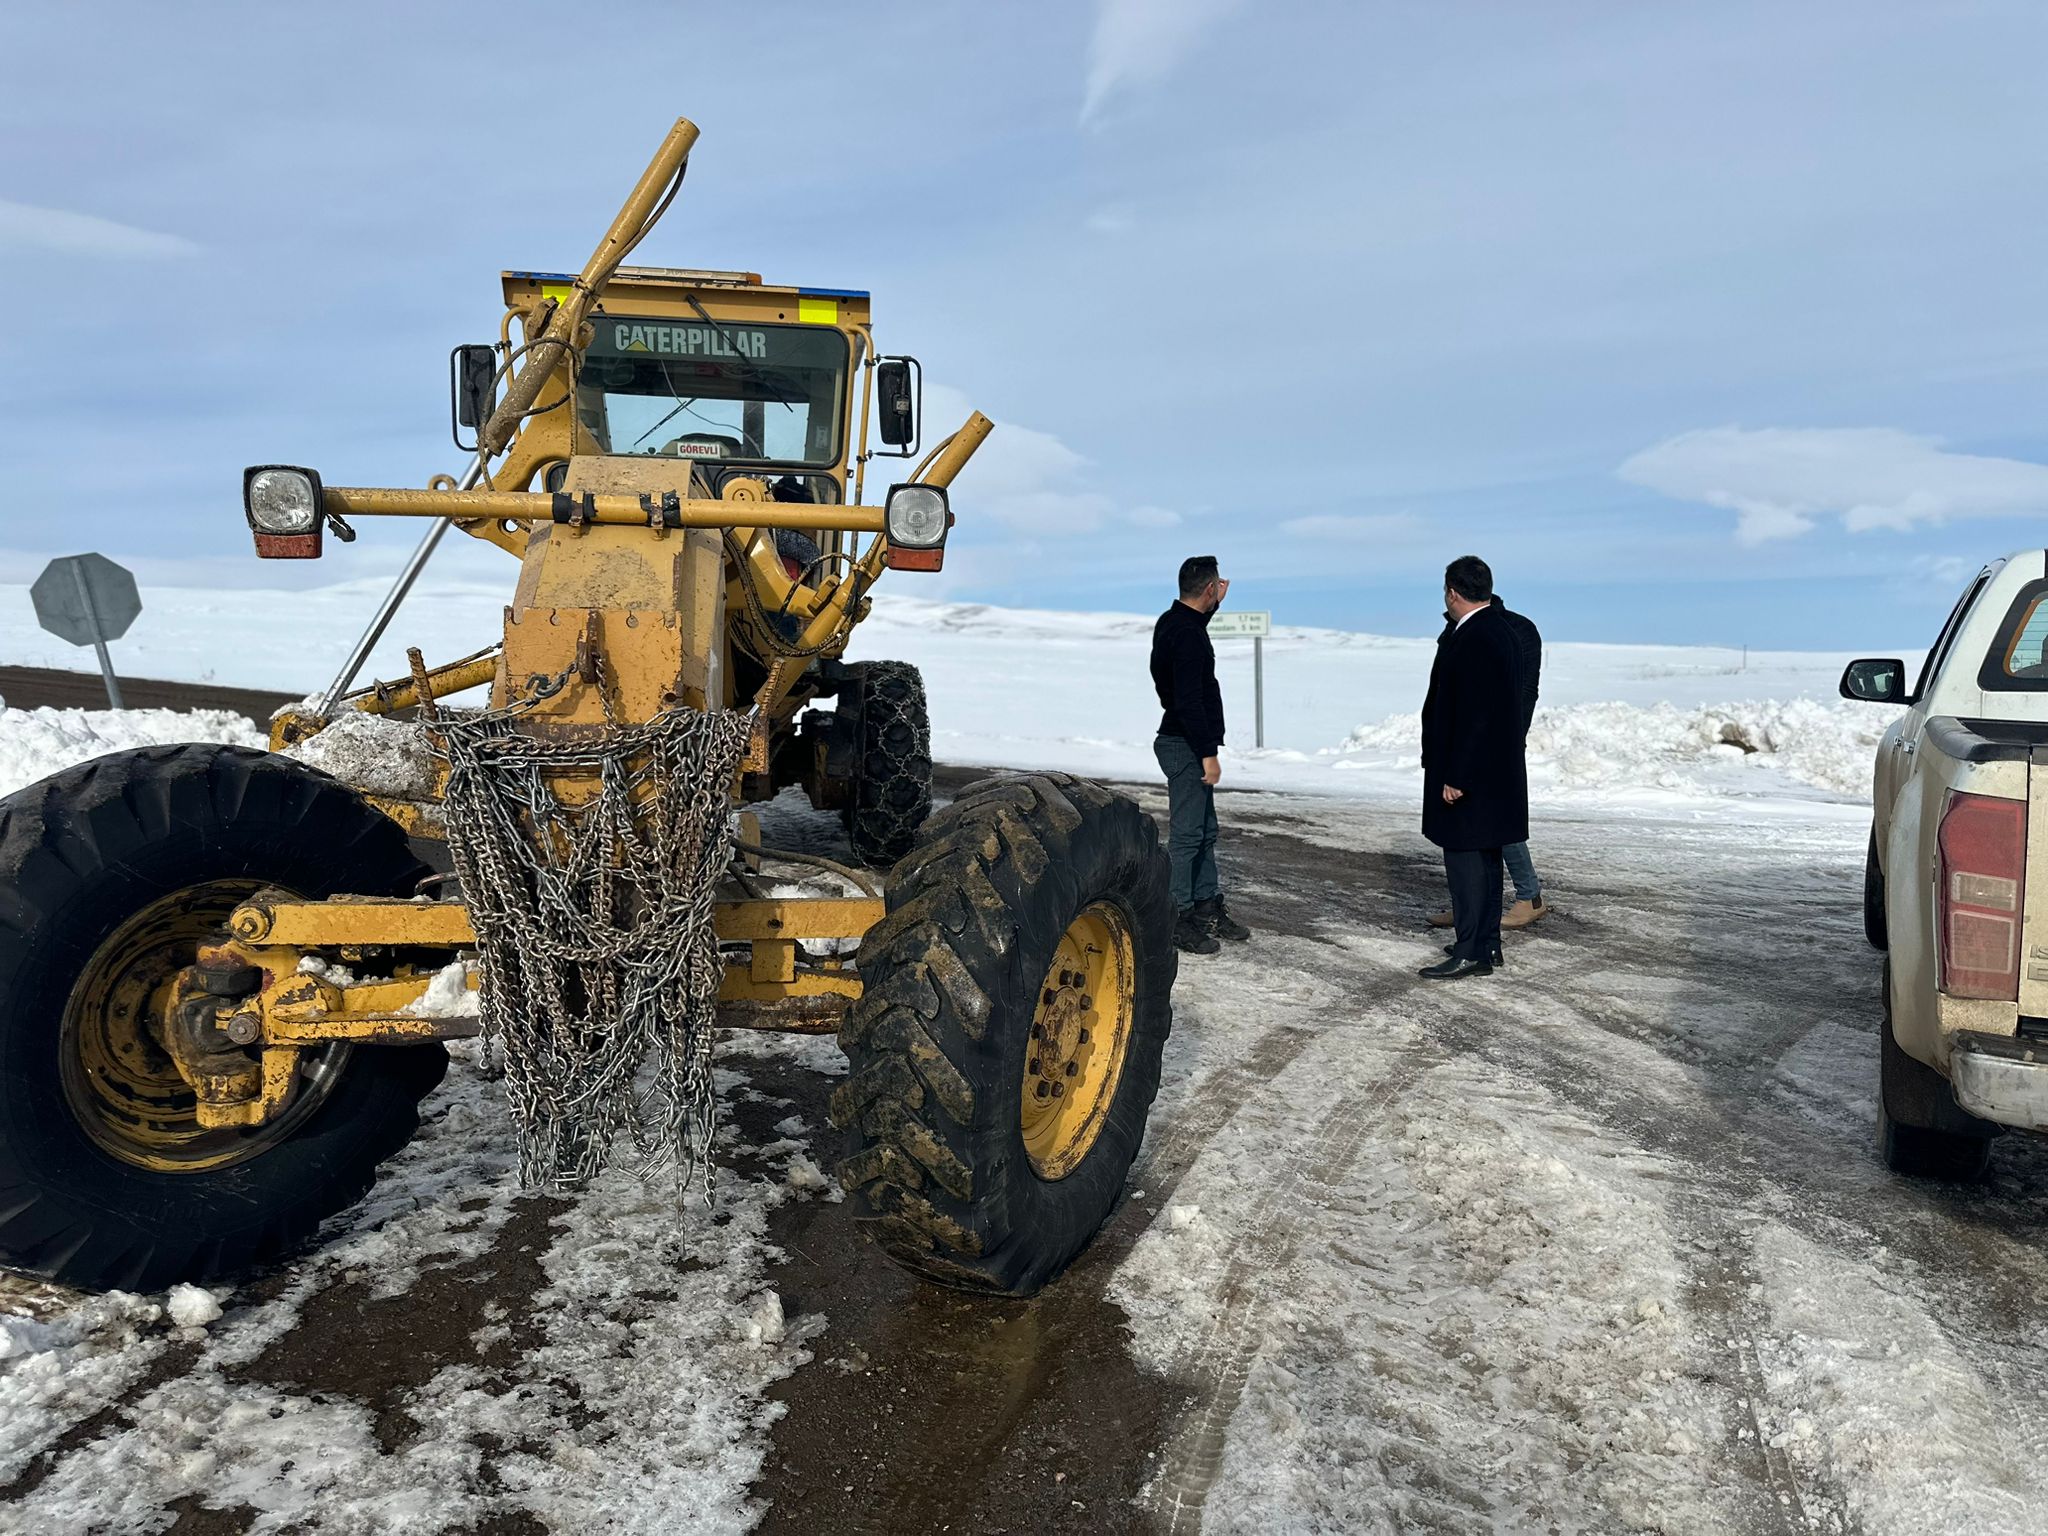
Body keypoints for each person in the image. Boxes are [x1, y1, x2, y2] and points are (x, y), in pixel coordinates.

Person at [1418, 555, 1528, 980]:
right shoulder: (1500, 629)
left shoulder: (1476, 636)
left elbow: (1476, 714)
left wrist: (1457, 775)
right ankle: (1486, 944)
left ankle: (1471, 951)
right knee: (1486, 859)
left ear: (1452, 592)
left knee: (1466, 862)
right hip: (1494, 772)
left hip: (1471, 774)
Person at [1426, 588, 1548, 930]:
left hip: (1497, 742)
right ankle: (1469, 903)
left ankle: (1530, 896)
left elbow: (1525, 691)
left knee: (1498, 820)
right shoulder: (1455, 629)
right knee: (1463, 824)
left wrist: (1511, 740)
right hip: (1458, 743)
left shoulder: (1517, 629)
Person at [1151, 555, 1252, 954]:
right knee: (1188, 835)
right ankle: (1176, 918)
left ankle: (1205, 905)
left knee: (1205, 832)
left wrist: (1213, 606)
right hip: (1186, 744)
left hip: (1184, 741)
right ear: (1209, 588)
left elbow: (1191, 629)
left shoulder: (1174, 622)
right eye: (1216, 588)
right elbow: (1190, 701)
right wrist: (1208, 753)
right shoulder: (1188, 635)